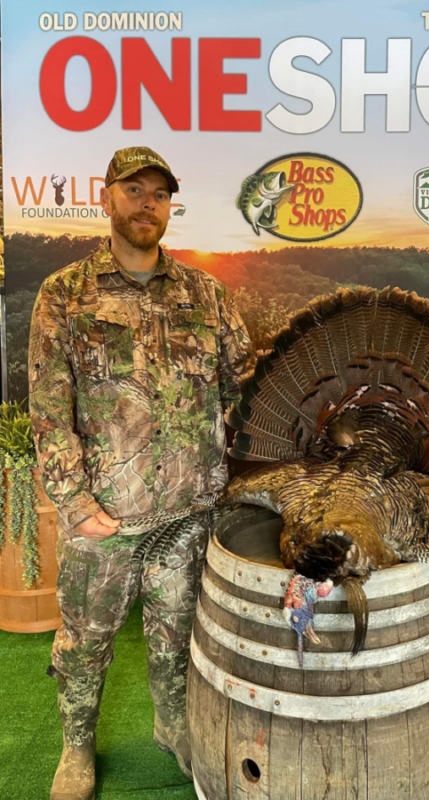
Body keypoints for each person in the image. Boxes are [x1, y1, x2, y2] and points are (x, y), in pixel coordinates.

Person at [28, 146, 253, 800]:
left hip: (188, 516)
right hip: (106, 520)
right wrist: (75, 503)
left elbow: (245, 390)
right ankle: (77, 746)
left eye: (159, 193)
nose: (147, 203)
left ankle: (171, 725)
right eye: (134, 190)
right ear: (107, 198)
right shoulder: (65, 295)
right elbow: (49, 409)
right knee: (84, 645)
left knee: (177, 637)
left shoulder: (205, 295)